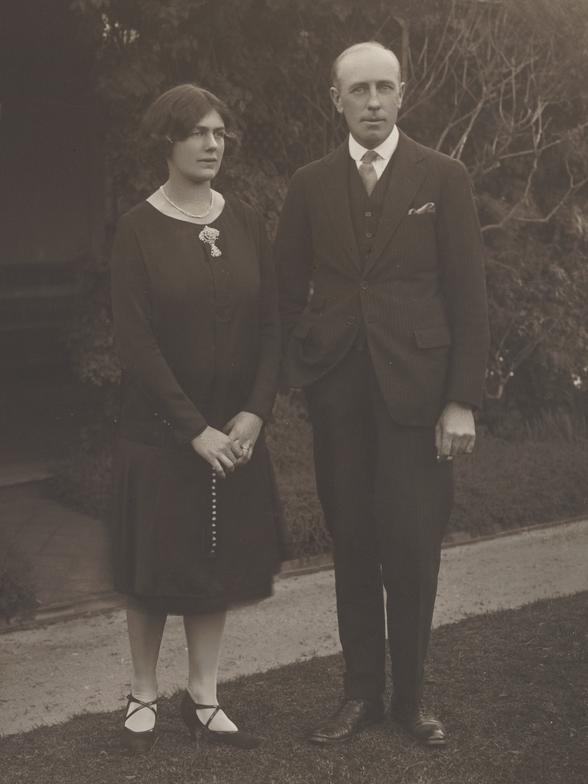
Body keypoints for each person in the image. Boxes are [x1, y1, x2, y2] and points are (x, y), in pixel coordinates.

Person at [274, 42, 490, 747]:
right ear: (334, 97)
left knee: (413, 547)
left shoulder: (444, 176)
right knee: (354, 545)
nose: (372, 101)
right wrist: (291, 369)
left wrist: (460, 399)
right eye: (358, 89)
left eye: (384, 88)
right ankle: (360, 694)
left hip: (420, 399)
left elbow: (468, 295)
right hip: (339, 395)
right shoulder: (309, 183)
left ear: (402, 95)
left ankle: (411, 700)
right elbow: (283, 288)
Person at [110, 83, 282, 753]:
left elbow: (272, 325)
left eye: (220, 134)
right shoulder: (136, 229)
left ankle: (204, 696)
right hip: (161, 433)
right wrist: (193, 428)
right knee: (154, 566)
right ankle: (143, 692)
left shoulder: (243, 221)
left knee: (215, 562)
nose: (213, 144)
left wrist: (254, 411)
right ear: (168, 143)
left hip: (232, 430)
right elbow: (136, 343)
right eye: (199, 134)